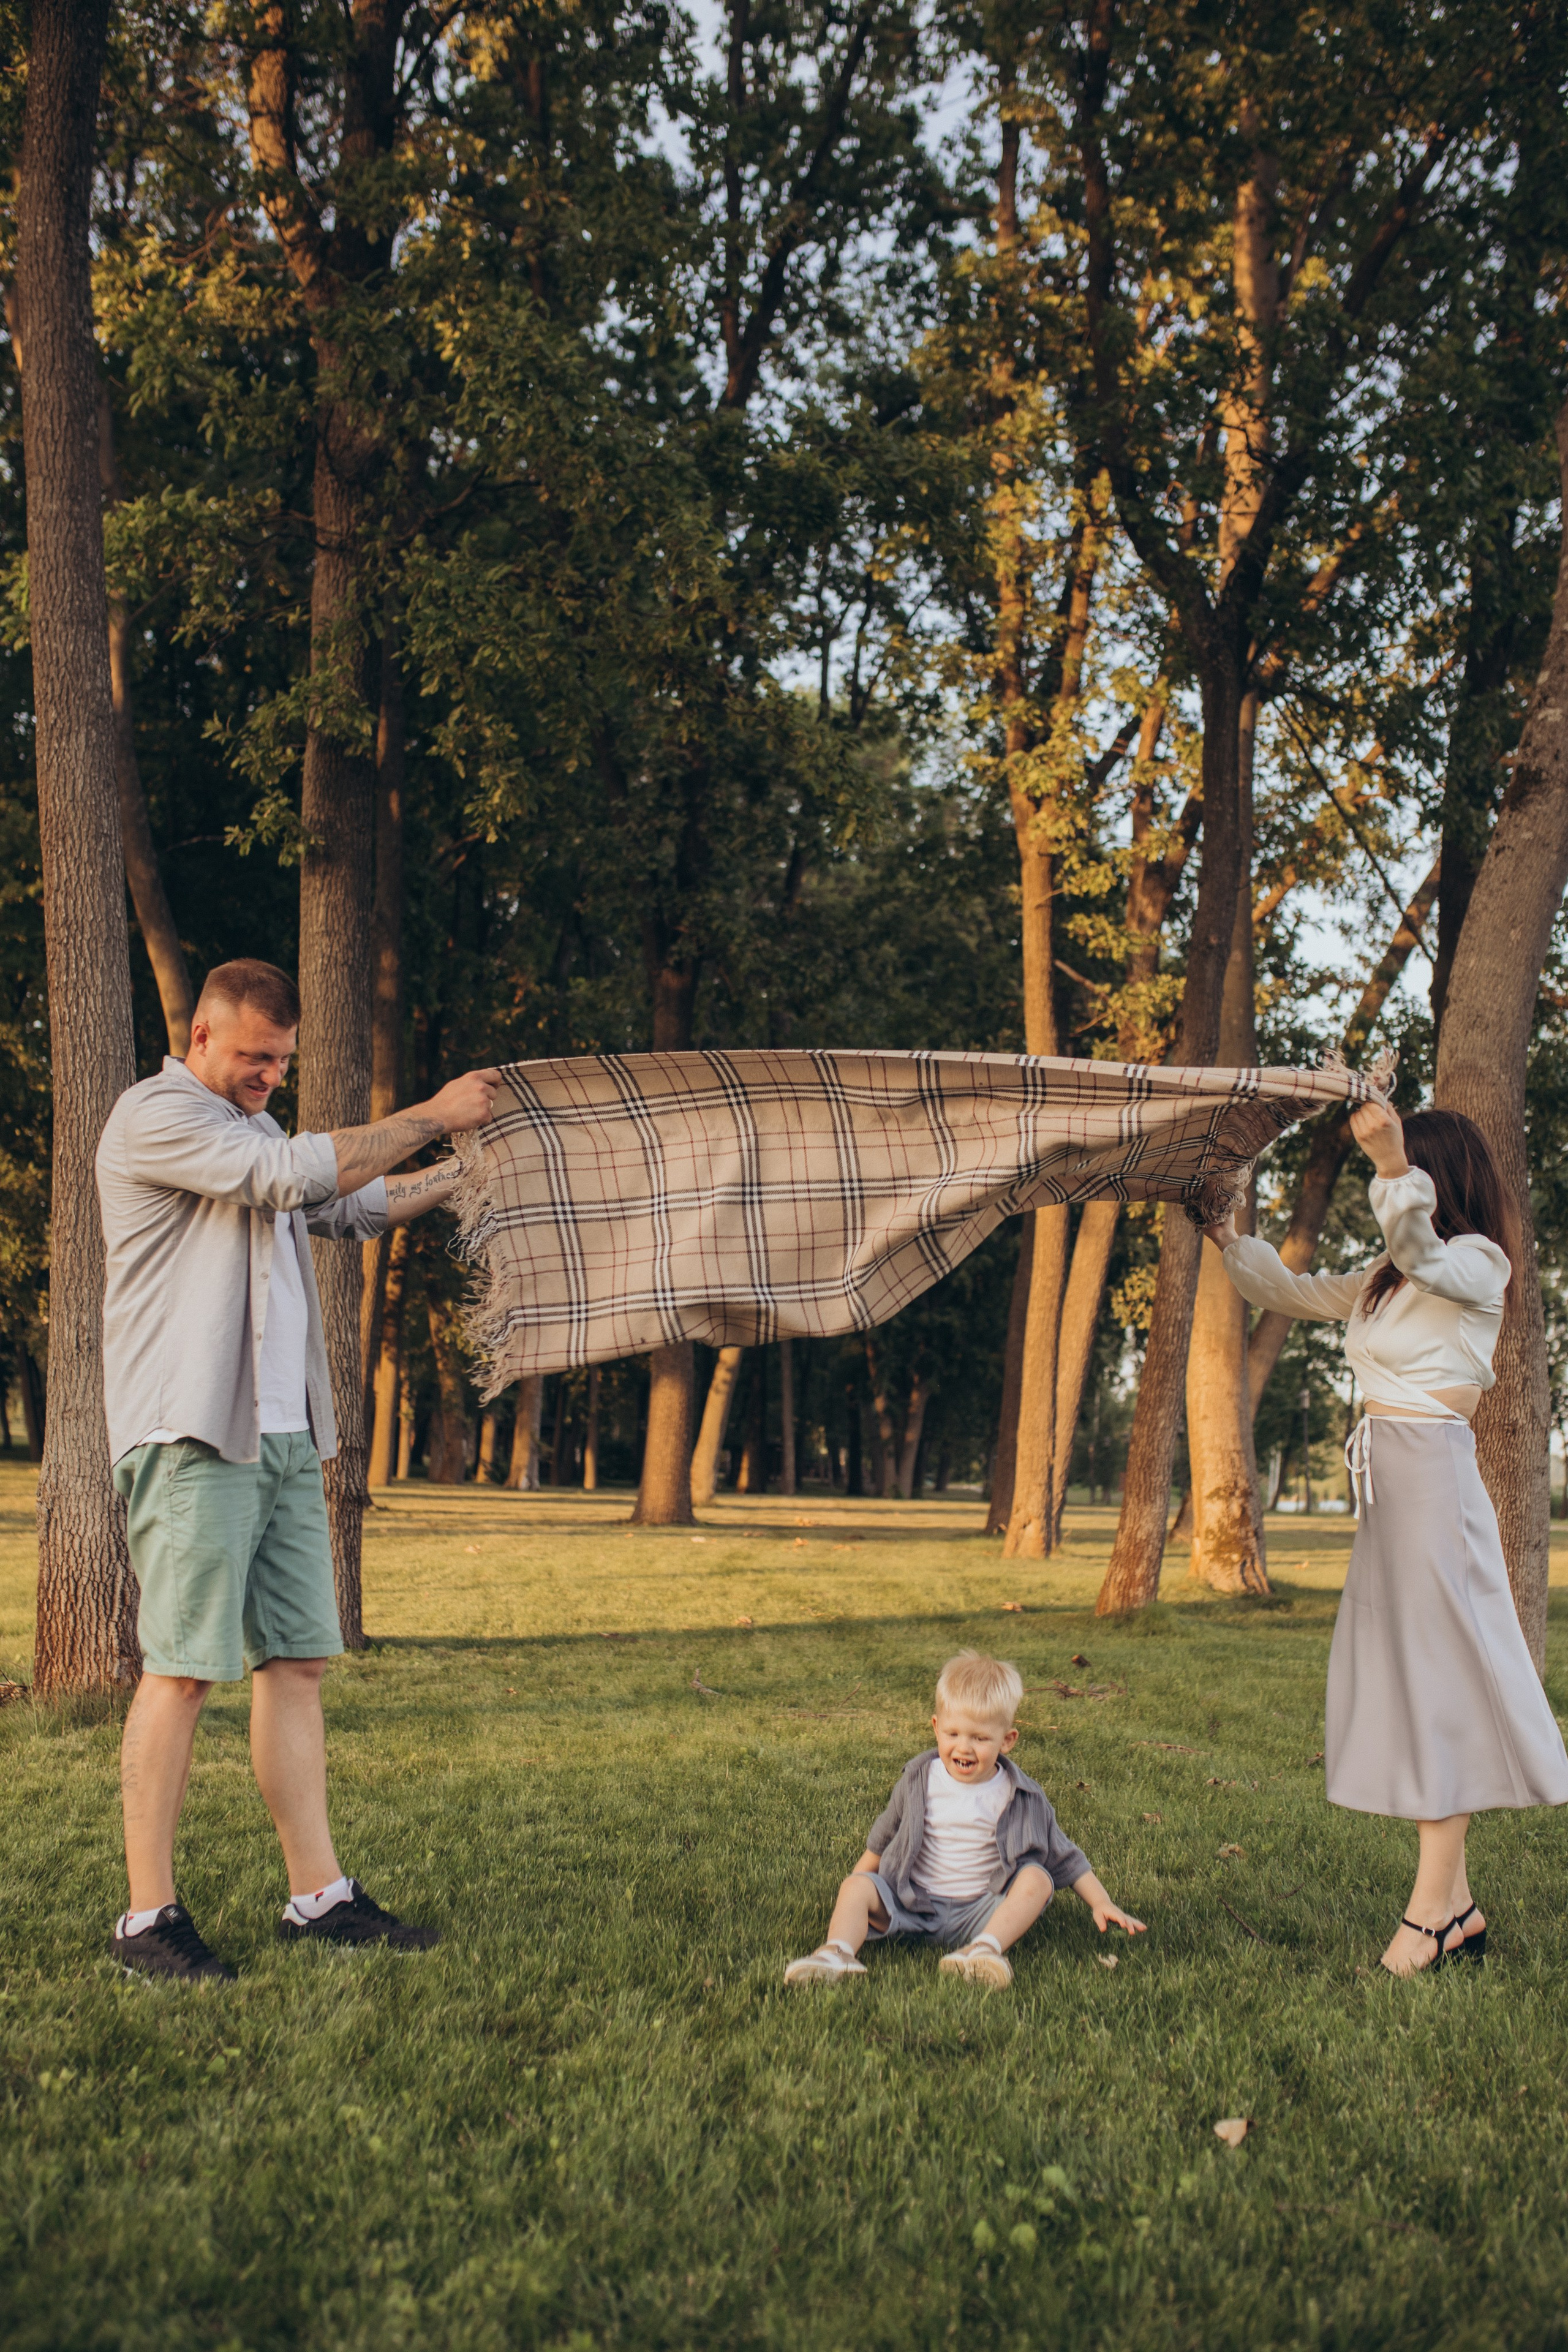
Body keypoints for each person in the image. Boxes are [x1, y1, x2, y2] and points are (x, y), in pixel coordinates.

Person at [96, 957, 500, 1983]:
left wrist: (460, 1169)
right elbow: (289, 1181)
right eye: (252, 1058)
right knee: (183, 1673)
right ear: (199, 1039)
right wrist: (433, 1113)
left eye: (280, 1062)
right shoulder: (155, 1116)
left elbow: (343, 1210)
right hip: (194, 1434)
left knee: (297, 1665)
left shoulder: (262, 1130)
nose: (268, 1076)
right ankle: (147, 1919)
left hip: (281, 1438)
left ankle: (317, 1900)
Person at [1205, 1098, 1568, 1978]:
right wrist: (1224, 1234)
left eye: (1416, 1168)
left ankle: (1427, 1918)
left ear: (1441, 1177)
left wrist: (1390, 1164)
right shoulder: (1387, 1275)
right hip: (1392, 1489)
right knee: (1416, 1689)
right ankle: (1461, 1910)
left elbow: (1423, 1252)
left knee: (1440, 1690)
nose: (1404, 1176)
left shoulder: (1478, 1263)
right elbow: (1287, 1291)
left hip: (1433, 1485)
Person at [783, 1650, 1145, 1988]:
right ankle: (838, 1954)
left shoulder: (1022, 1795)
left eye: (980, 1737)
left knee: (1038, 1877)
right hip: (913, 1905)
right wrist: (854, 1887)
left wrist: (1102, 1902)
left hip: (982, 1910)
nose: (964, 1747)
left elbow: (1064, 1855)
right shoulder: (918, 1779)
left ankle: (983, 1949)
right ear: (936, 1726)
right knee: (857, 1886)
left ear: (1008, 1740)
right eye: (953, 1733)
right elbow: (882, 1838)